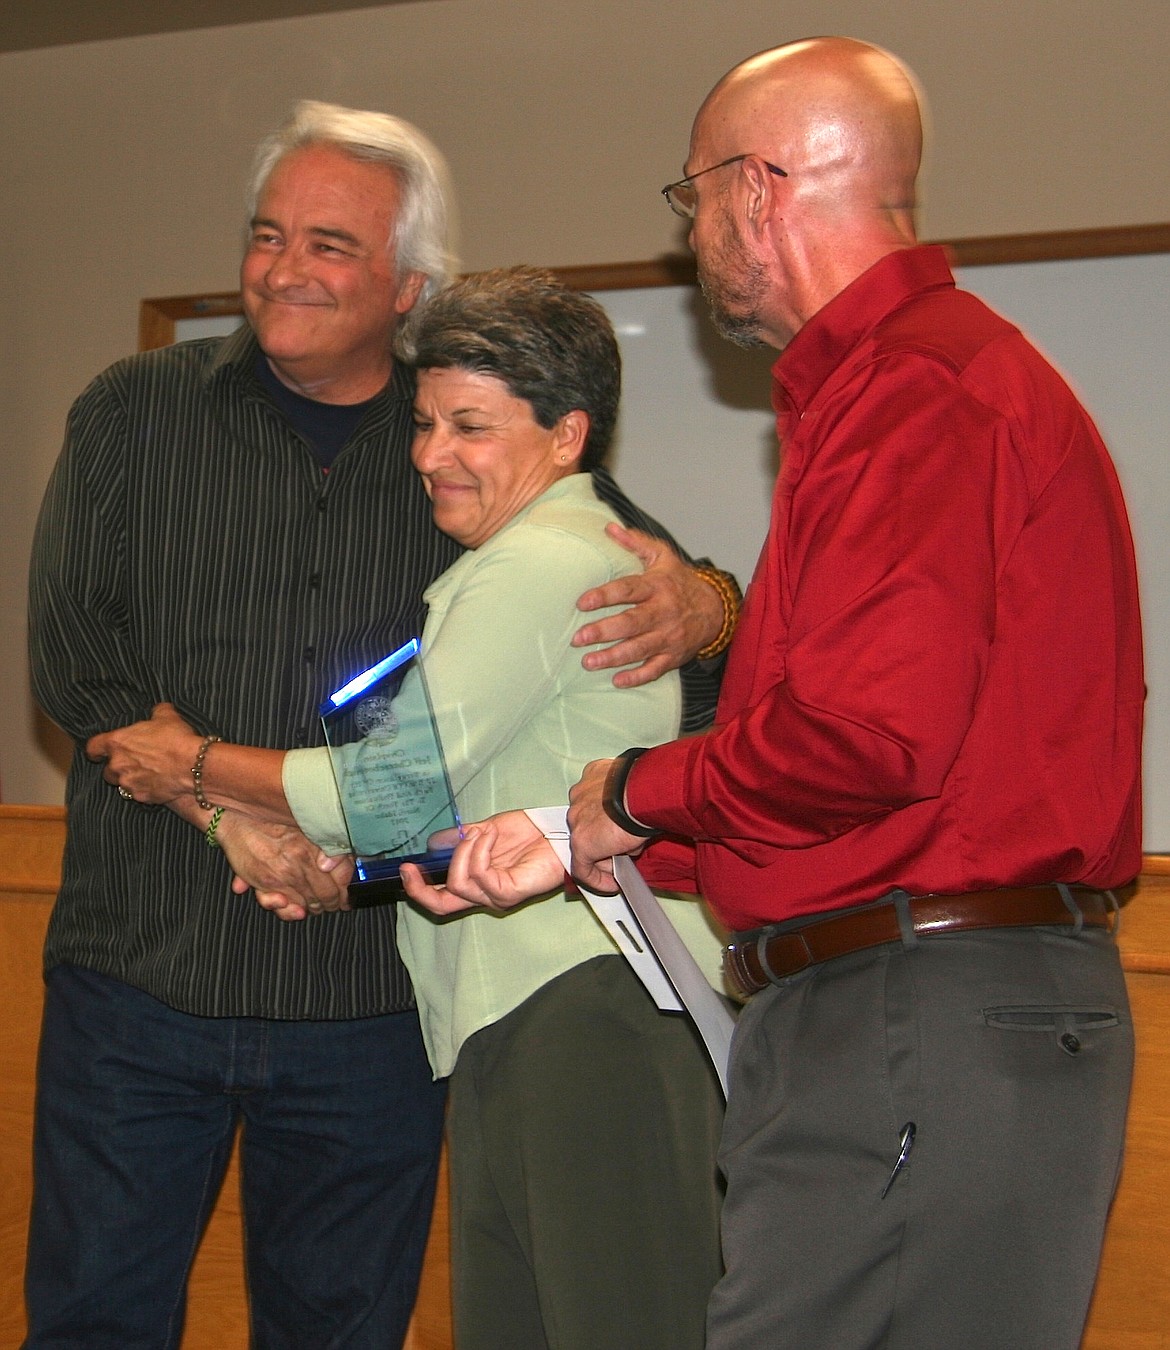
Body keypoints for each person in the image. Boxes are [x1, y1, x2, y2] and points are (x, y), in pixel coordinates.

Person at [407, 37, 1145, 1350]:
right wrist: (611, 834)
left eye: (690, 200)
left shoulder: (913, 392)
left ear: (758, 188)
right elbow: (880, 758)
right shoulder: (903, 388)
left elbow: (868, 739)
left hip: (916, 1005)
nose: (690, 238)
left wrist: (628, 798)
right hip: (918, 999)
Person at [25, 102, 735, 1349]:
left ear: (409, 285)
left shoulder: (477, 438)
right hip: (142, 973)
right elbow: (78, 661)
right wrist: (217, 818)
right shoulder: (133, 412)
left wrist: (712, 600)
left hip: (373, 1010)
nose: (285, 268)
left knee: (345, 1329)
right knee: (91, 1317)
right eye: (267, 234)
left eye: (331, 246)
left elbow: (679, 637)